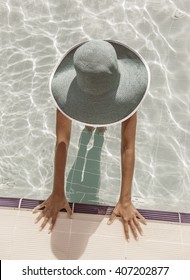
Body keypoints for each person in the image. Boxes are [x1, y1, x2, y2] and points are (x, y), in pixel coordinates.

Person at [33, 39, 150, 241]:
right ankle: (93, 124)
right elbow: (63, 141)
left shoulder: (122, 97)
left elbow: (127, 146)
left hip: (93, 93)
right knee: (92, 123)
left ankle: (96, 125)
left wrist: (125, 200)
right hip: (94, 93)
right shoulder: (68, 96)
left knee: (96, 125)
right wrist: (58, 192)